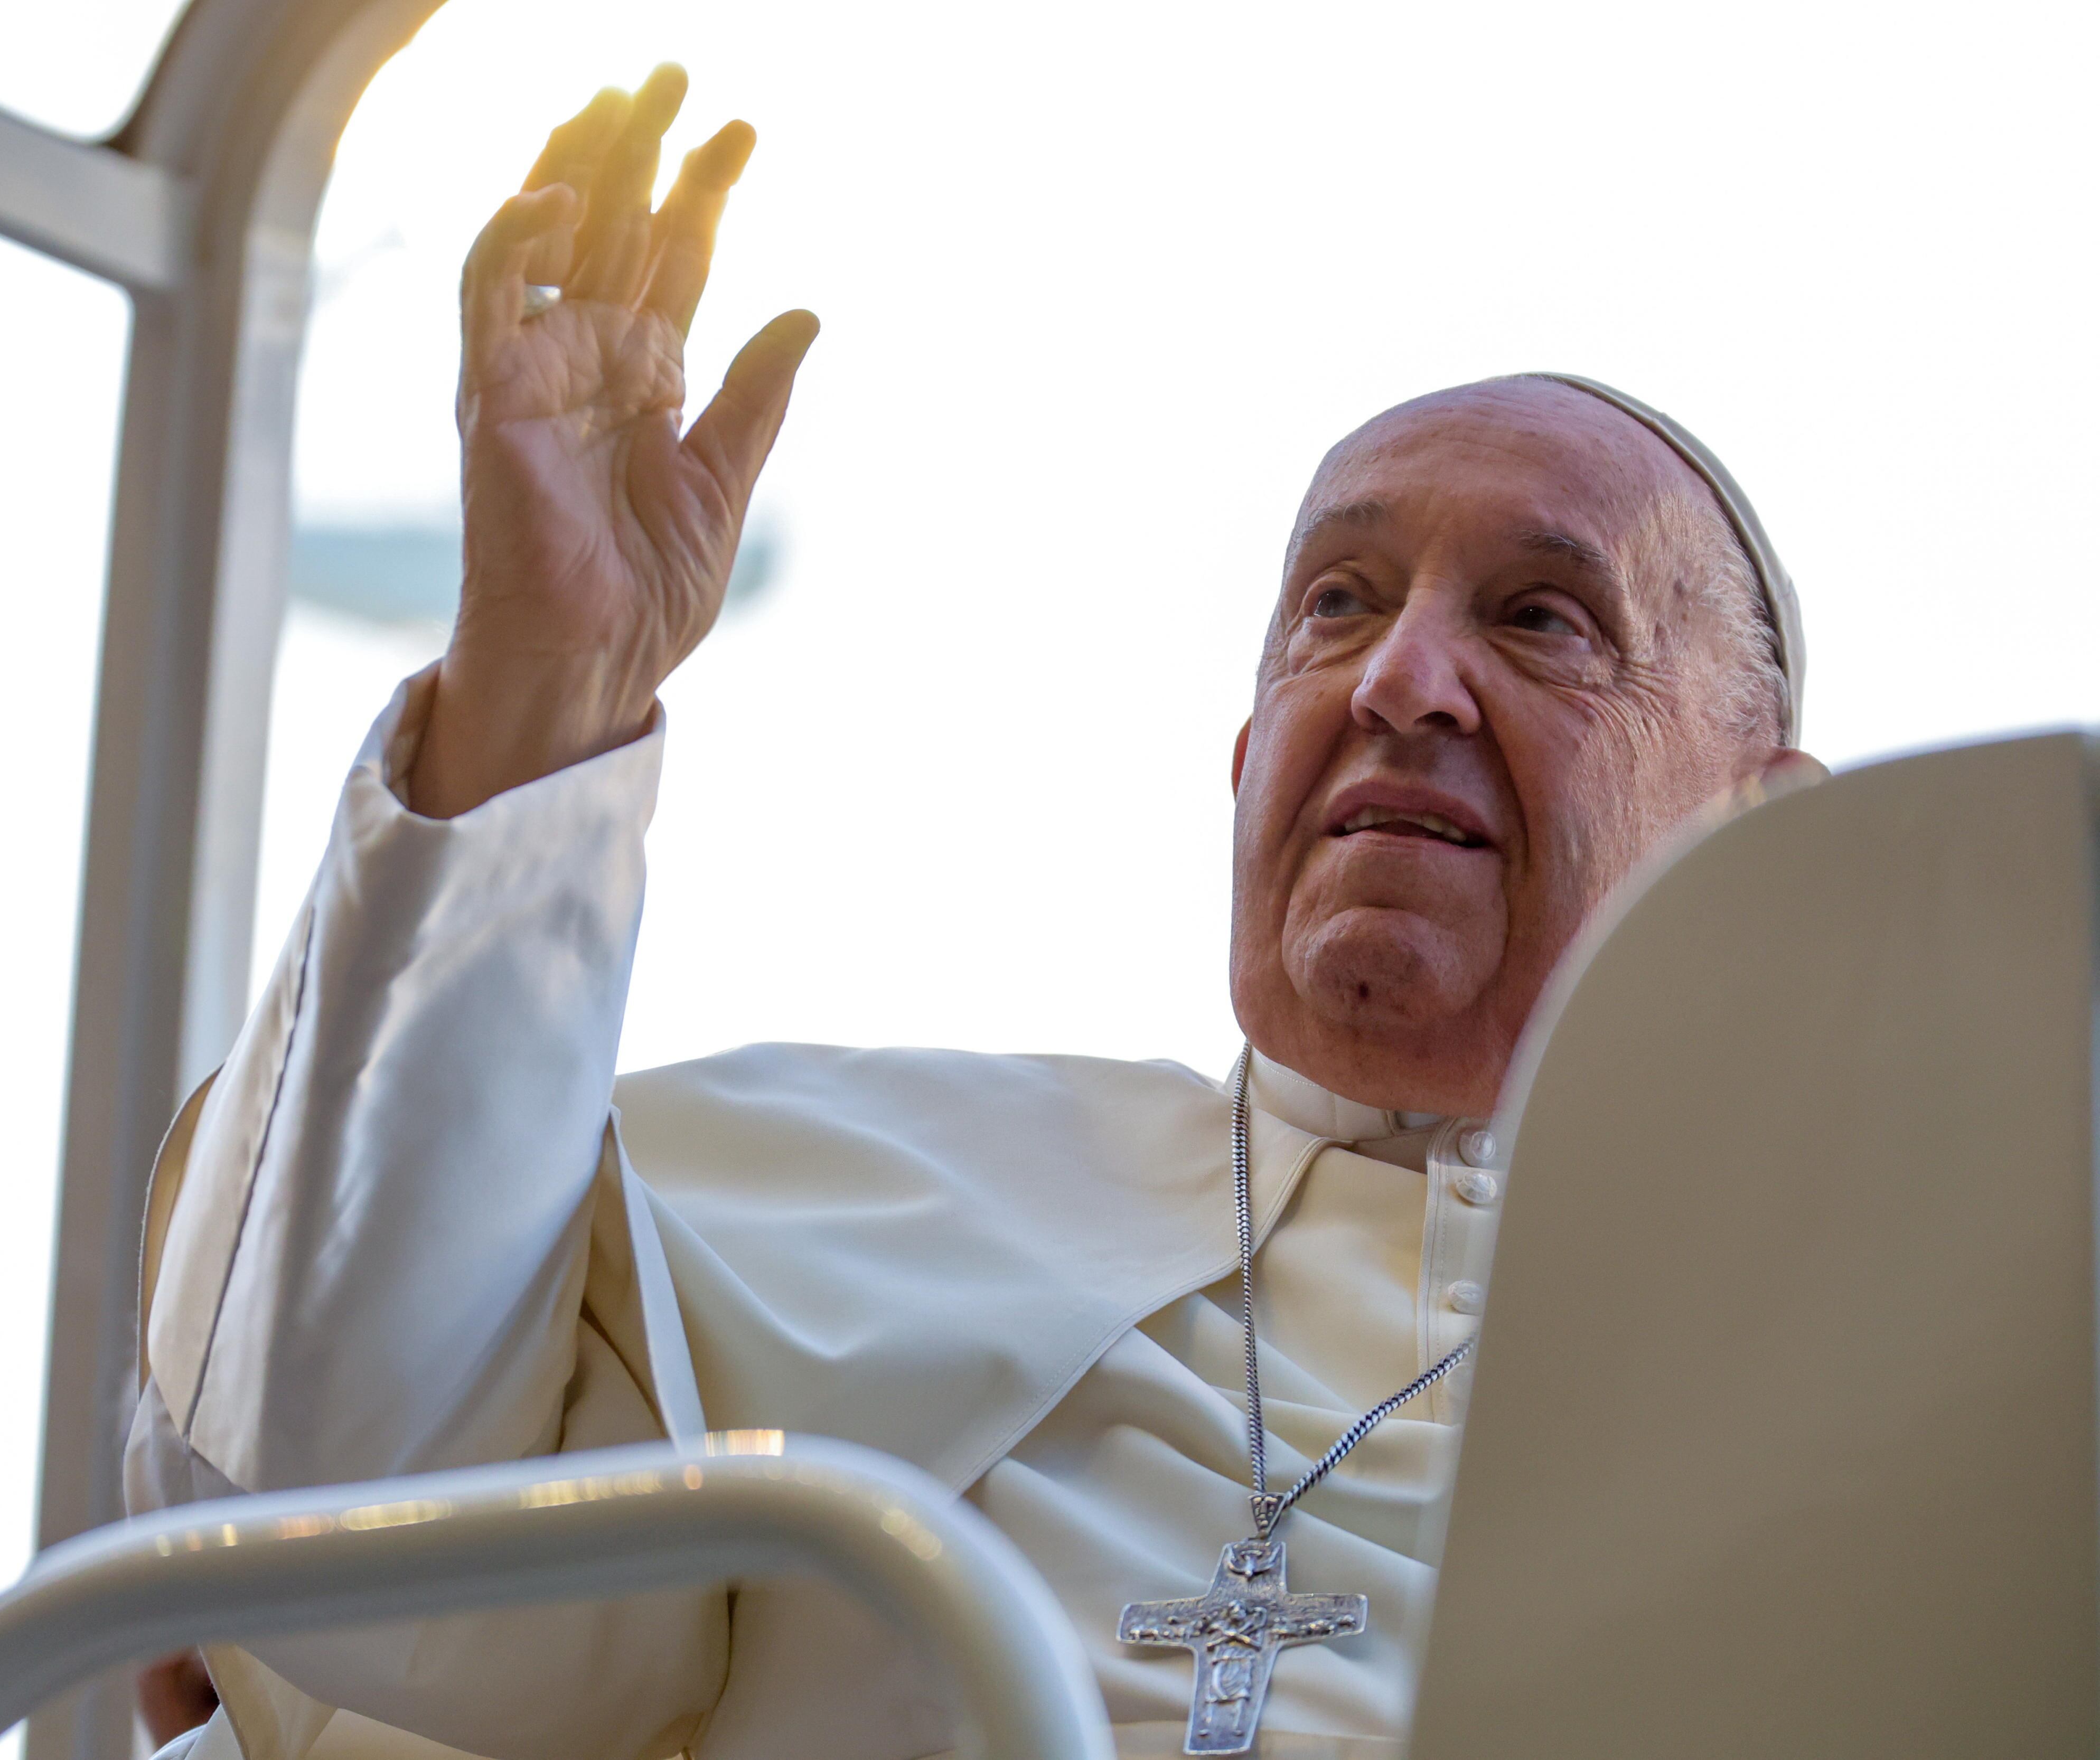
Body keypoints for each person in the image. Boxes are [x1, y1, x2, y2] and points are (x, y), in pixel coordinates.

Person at [125, 64, 1818, 1760]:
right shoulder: (855, 1188)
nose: (1397, 680)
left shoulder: (1934, 1374)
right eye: (1338, 602)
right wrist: (541, 686)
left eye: (1540, 617)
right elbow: (363, 1536)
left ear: (1764, 835)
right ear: (1244, 765)